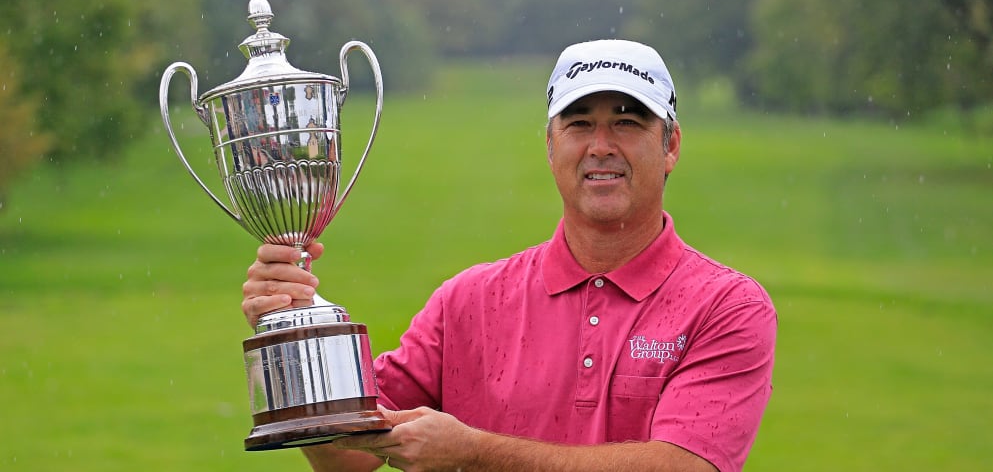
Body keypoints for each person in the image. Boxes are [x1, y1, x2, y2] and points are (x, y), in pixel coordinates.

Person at [242, 39, 777, 472]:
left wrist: (476, 453)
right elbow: (347, 456)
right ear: (550, 146)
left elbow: (682, 468)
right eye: (579, 123)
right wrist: (289, 329)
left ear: (672, 145)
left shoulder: (726, 306)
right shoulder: (467, 301)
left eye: (628, 122)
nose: (601, 145)